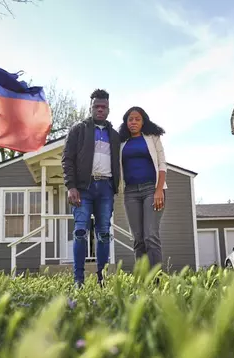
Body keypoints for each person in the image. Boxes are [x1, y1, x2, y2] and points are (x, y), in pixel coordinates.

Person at [61, 89, 121, 287]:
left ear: (109, 109)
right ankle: (78, 280)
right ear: (91, 107)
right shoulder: (78, 130)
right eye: (97, 106)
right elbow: (67, 159)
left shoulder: (114, 135)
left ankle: (101, 279)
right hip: (83, 188)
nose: (100, 110)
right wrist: (71, 186)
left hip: (105, 188)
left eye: (104, 107)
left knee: (103, 233)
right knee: (80, 232)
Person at [118, 106, 167, 269]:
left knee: (150, 236)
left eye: (137, 119)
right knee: (138, 239)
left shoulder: (153, 137)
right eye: (130, 119)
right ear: (126, 122)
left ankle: (158, 280)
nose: (133, 122)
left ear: (143, 121)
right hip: (130, 193)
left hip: (151, 190)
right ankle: (143, 281)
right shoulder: (121, 142)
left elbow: (162, 164)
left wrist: (159, 190)